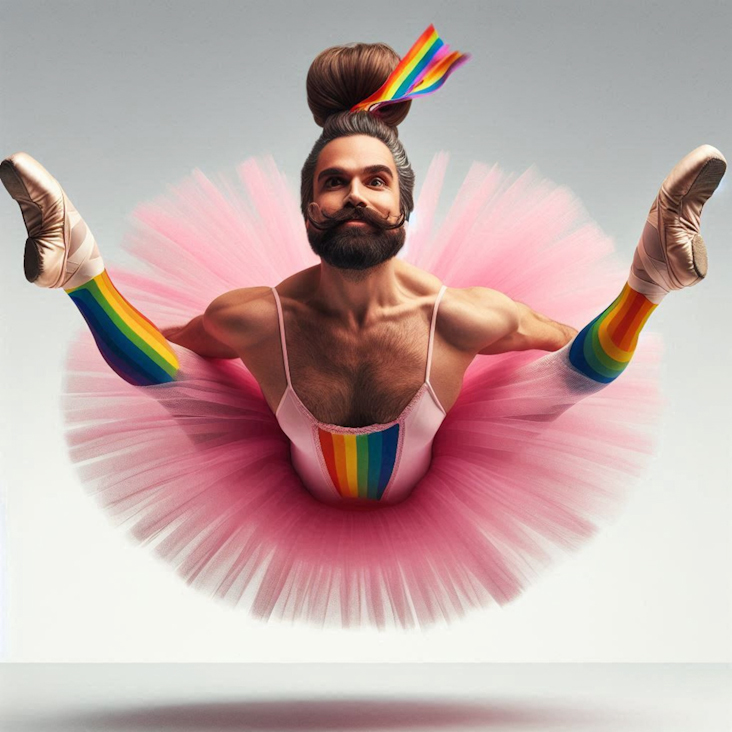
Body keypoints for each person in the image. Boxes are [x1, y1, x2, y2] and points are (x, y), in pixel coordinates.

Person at [1, 28, 725, 628]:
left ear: (405, 208)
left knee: (559, 379)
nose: (355, 195)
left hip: (433, 480)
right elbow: (162, 354)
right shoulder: (258, 318)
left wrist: (605, 334)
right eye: (334, 181)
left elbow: (576, 356)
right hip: (291, 478)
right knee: (181, 379)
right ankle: (76, 261)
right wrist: (114, 313)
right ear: (309, 208)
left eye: (376, 181)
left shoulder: (464, 317)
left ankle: (652, 272)